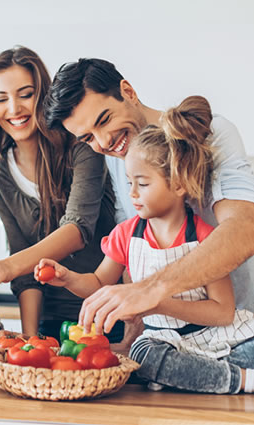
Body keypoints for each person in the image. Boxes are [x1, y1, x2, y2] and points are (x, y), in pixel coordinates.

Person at [36, 96, 254, 394]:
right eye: (129, 184)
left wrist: (157, 300)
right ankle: (241, 380)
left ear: (178, 184)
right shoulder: (126, 234)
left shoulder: (205, 238)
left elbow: (223, 313)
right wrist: (67, 278)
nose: (133, 194)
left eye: (144, 183)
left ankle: (209, 377)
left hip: (213, 335)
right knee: (143, 357)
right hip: (162, 341)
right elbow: (100, 283)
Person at [43, 58, 254, 335]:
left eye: (104, 120)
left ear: (128, 92)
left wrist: (150, 291)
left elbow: (246, 229)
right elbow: (132, 255)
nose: (104, 142)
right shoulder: (120, 157)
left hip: (235, 326)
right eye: (88, 138)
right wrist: (134, 334)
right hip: (167, 335)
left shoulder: (213, 134)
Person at [0, 46, 121, 341]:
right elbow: (23, 268)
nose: (13, 109)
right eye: (1, 99)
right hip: (49, 321)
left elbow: (77, 229)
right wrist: (31, 339)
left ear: (43, 96)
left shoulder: (82, 146)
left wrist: (7, 266)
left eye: (25, 94)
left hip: (106, 314)